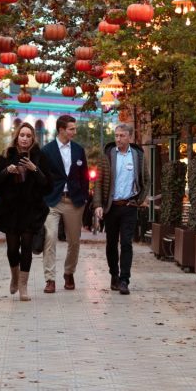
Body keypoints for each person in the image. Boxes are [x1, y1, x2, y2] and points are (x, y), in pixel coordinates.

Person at [0, 122, 51, 301]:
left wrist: (35, 169)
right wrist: (6, 171)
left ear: (32, 138)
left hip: (31, 209)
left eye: (28, 136)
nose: (25, 138)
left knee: (27, 247)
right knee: (12, 248)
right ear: (17, 137)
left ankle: (23, 286)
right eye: (22, 135)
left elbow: (48, 186)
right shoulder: (7, 155)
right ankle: (14, 276)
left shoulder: (40, 156)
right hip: (11, 210)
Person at [93, 123, 148, 295]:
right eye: (116, 135)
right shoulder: (108, 155)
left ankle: (124, 280)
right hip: (112, 207)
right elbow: (99, 182)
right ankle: (114, 275)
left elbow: (145, 179)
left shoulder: (138, 155)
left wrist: (139, 200)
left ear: (129, 137)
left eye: (122, 136)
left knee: (126, 243)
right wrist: (98, 205)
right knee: (111, 244)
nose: (118, 139)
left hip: (129, 206)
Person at [39, 115, 90, 293]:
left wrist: (84, 197)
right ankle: (50, 279)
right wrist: (43, 198)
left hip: (74, 201)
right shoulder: (46, 150)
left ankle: (69, 273)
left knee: (74, 242)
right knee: (50, 237)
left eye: (75, 129)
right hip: (53, 200)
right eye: (71, 129)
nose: (74, 132)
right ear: (61, 130)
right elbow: (42, 177)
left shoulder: (78, 150)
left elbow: (84, 174)